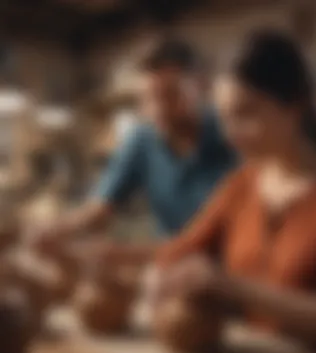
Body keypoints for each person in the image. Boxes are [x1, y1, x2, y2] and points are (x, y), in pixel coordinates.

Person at [151, 30, 316, 353]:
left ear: (296, 105)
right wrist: (160, 276)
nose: (230, 136)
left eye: (245, 113)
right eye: (225, 117)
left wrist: (233, 287)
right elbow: (180, 250)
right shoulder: (242, 185)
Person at [31, 38, 237, 256]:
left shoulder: (232, 133)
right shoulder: (142, 140)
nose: (159, 110)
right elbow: (98, 210)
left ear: (201, 85)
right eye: (149, 98)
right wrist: (55, 230)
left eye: (170, 94)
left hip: (233, 267)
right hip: (172, 266)